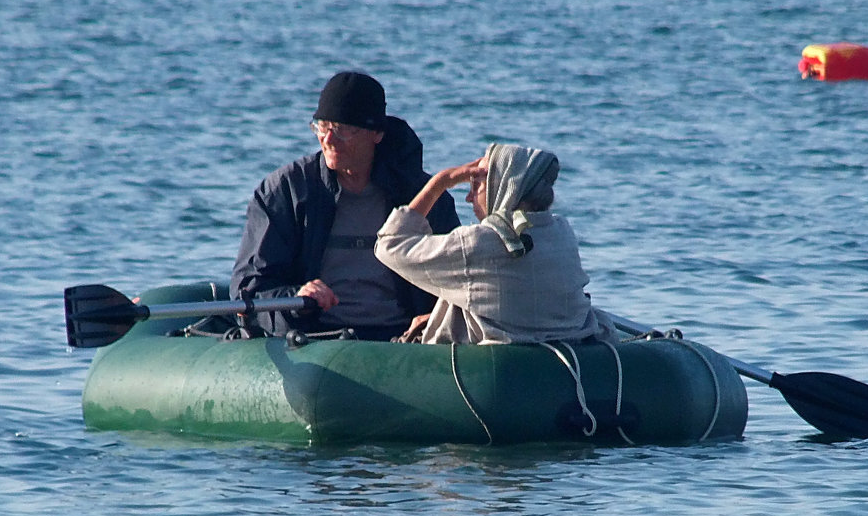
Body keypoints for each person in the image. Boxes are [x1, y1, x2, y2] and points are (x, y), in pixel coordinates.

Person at [231, 71, 460, 340]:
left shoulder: (423, 196)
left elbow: (457, 280)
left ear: (375, 134)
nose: (328, 139)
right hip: (314, 339)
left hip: (405, 340)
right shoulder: (286, 191)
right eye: (322, 127)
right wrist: (297, 298)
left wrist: (434, 320)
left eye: (341, 130)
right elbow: (249, 287)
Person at [374, 143, 618, 345]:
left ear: (503, 188)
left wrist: (440, 182)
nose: (469, 197)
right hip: (568, 355)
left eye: (476, 184)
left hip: (495, 378)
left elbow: (390, 245)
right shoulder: (562, 231)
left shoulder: (478, 241)